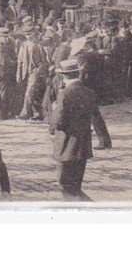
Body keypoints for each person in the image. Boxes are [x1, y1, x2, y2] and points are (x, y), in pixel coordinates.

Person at [50, 58, 95, 201]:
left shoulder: (64, 93)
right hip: (83, 146)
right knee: (76, 186)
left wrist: (54, 110)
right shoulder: (88, 92)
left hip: (66, 147)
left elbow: (59, 123)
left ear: (63, 76)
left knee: (66, 187)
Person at [0, 27, 18, 119]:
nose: (7, 39)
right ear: (0, 37)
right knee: (3, 93)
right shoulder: (1, 47)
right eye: (5, 37)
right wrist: (15, 62)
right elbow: (4, 62)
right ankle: (3, 113)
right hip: (2, 72)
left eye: (7, 36)